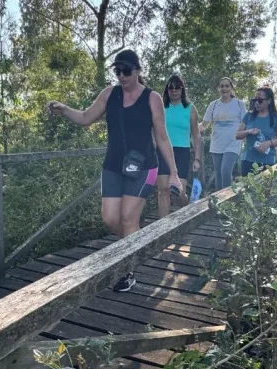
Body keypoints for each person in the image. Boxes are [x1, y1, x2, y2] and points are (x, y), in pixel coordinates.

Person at [47, 49, 184, 292]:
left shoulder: (152, 98)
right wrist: (65, 109)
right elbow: (86, 117)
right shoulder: (109, 94)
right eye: (117, 71)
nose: (121, 76)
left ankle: (126, 270)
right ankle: (136, 245)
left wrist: (173, 172)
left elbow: (162, 137)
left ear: (138, 70)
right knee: (110, 218)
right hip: (113, 165)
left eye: (126, 71)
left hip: (143, 167)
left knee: (128, 218)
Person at [157, 74, 202, 217]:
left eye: (177, 87)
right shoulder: (161, 107)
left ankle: (189, 208)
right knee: (163, 190)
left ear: (182, 90)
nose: (174, 90)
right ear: (167, 90)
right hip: (162, 151)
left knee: (178, 192)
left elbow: (196, 135)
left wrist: (197, 158)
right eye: (171, 88)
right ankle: (161, 230)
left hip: (182, 151)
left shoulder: (190, 108)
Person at [199, 77, 247, 191]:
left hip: (233, 143)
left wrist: (246, 138)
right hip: (217, 144)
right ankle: (219, 203)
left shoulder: (240, 104)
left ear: (231, 88)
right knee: (218, 173)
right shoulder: (213, 105)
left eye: (227, 86)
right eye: (222, 86)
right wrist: (191, 129)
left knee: (225, 171)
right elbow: (204, 125)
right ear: (218, 88)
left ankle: (228, 201)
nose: (224, 88)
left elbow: (245, 124)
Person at [235, 87, 277, 176]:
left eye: (260, 100)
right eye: (255, 100)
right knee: (247, 189)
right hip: (248, 161)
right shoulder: (249, 116)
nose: (257, 103)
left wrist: (269, 143)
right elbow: (237, 135)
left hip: (267, 162)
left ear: (269, 101)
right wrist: (248, 131)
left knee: (265, 189)